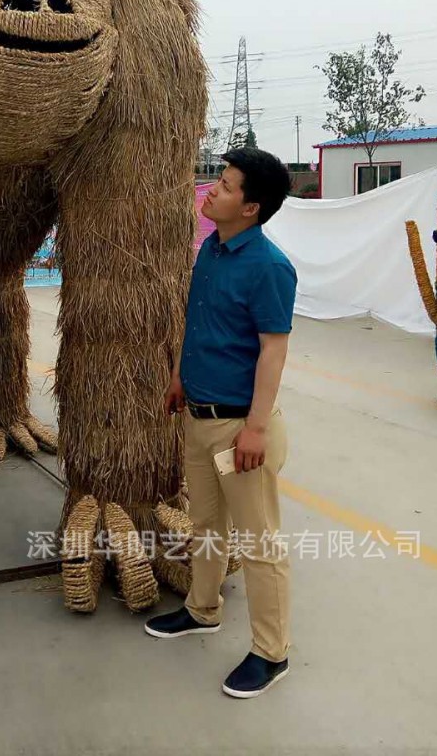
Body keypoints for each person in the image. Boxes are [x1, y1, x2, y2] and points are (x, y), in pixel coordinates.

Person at [145, 147, 297, 699]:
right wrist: (179, 377)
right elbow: (201, 323)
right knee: (207, 527)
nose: (212, 189)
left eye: (227, 186)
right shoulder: (211, 249)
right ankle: (201, 609)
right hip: (199, 414)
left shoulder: (270, 267)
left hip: (241, 429)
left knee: (259, 544)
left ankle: (271, 652)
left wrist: (256, 429)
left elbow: (272, 353)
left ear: (251, 207)